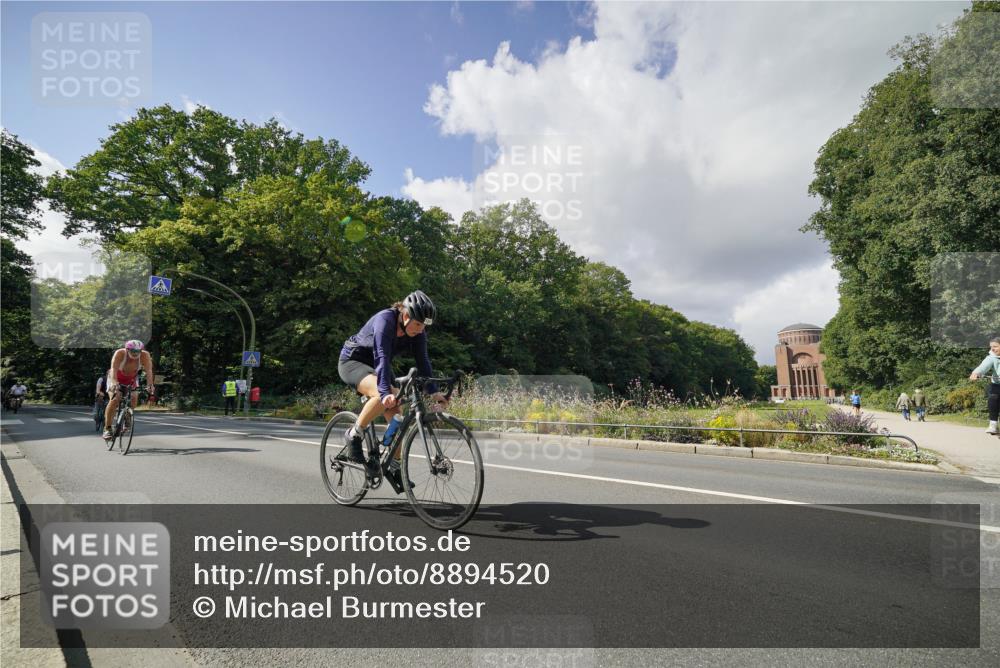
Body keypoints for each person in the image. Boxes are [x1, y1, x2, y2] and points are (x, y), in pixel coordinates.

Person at [337, 290, 447, 493]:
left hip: (379, 366)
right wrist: (385, 391)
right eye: (417, 324)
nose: (420, 329)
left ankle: (393, 466)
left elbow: (423, 362)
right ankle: (354, 434)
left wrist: (433, 392)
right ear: (406, 316)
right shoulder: (385, 320)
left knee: (398, 416)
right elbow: (381, 356)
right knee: (382, 394)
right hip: (353, 362)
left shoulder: (418, 331)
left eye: (424, 326)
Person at [103, 340, 154, 440]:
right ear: (127, 350)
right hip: (115, 377)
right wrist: (114, 383)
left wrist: (150, 385)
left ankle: (127, 416)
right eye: (133, 351)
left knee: (134, 399)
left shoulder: (145, 355)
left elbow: (149, 370)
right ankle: (107, 429)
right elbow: (113, 369)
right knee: (114, 399)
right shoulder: (120, 353)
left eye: (138, 351)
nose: (135, 354)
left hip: (131, 379)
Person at [969, 337, 1000, 435]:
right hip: (997, 385)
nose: (992, 349)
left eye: (995, 346)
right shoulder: (991, 357)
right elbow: (983, 367)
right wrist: (976, 373)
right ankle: (993, 425)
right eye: (991, 347)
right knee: (993, 399)